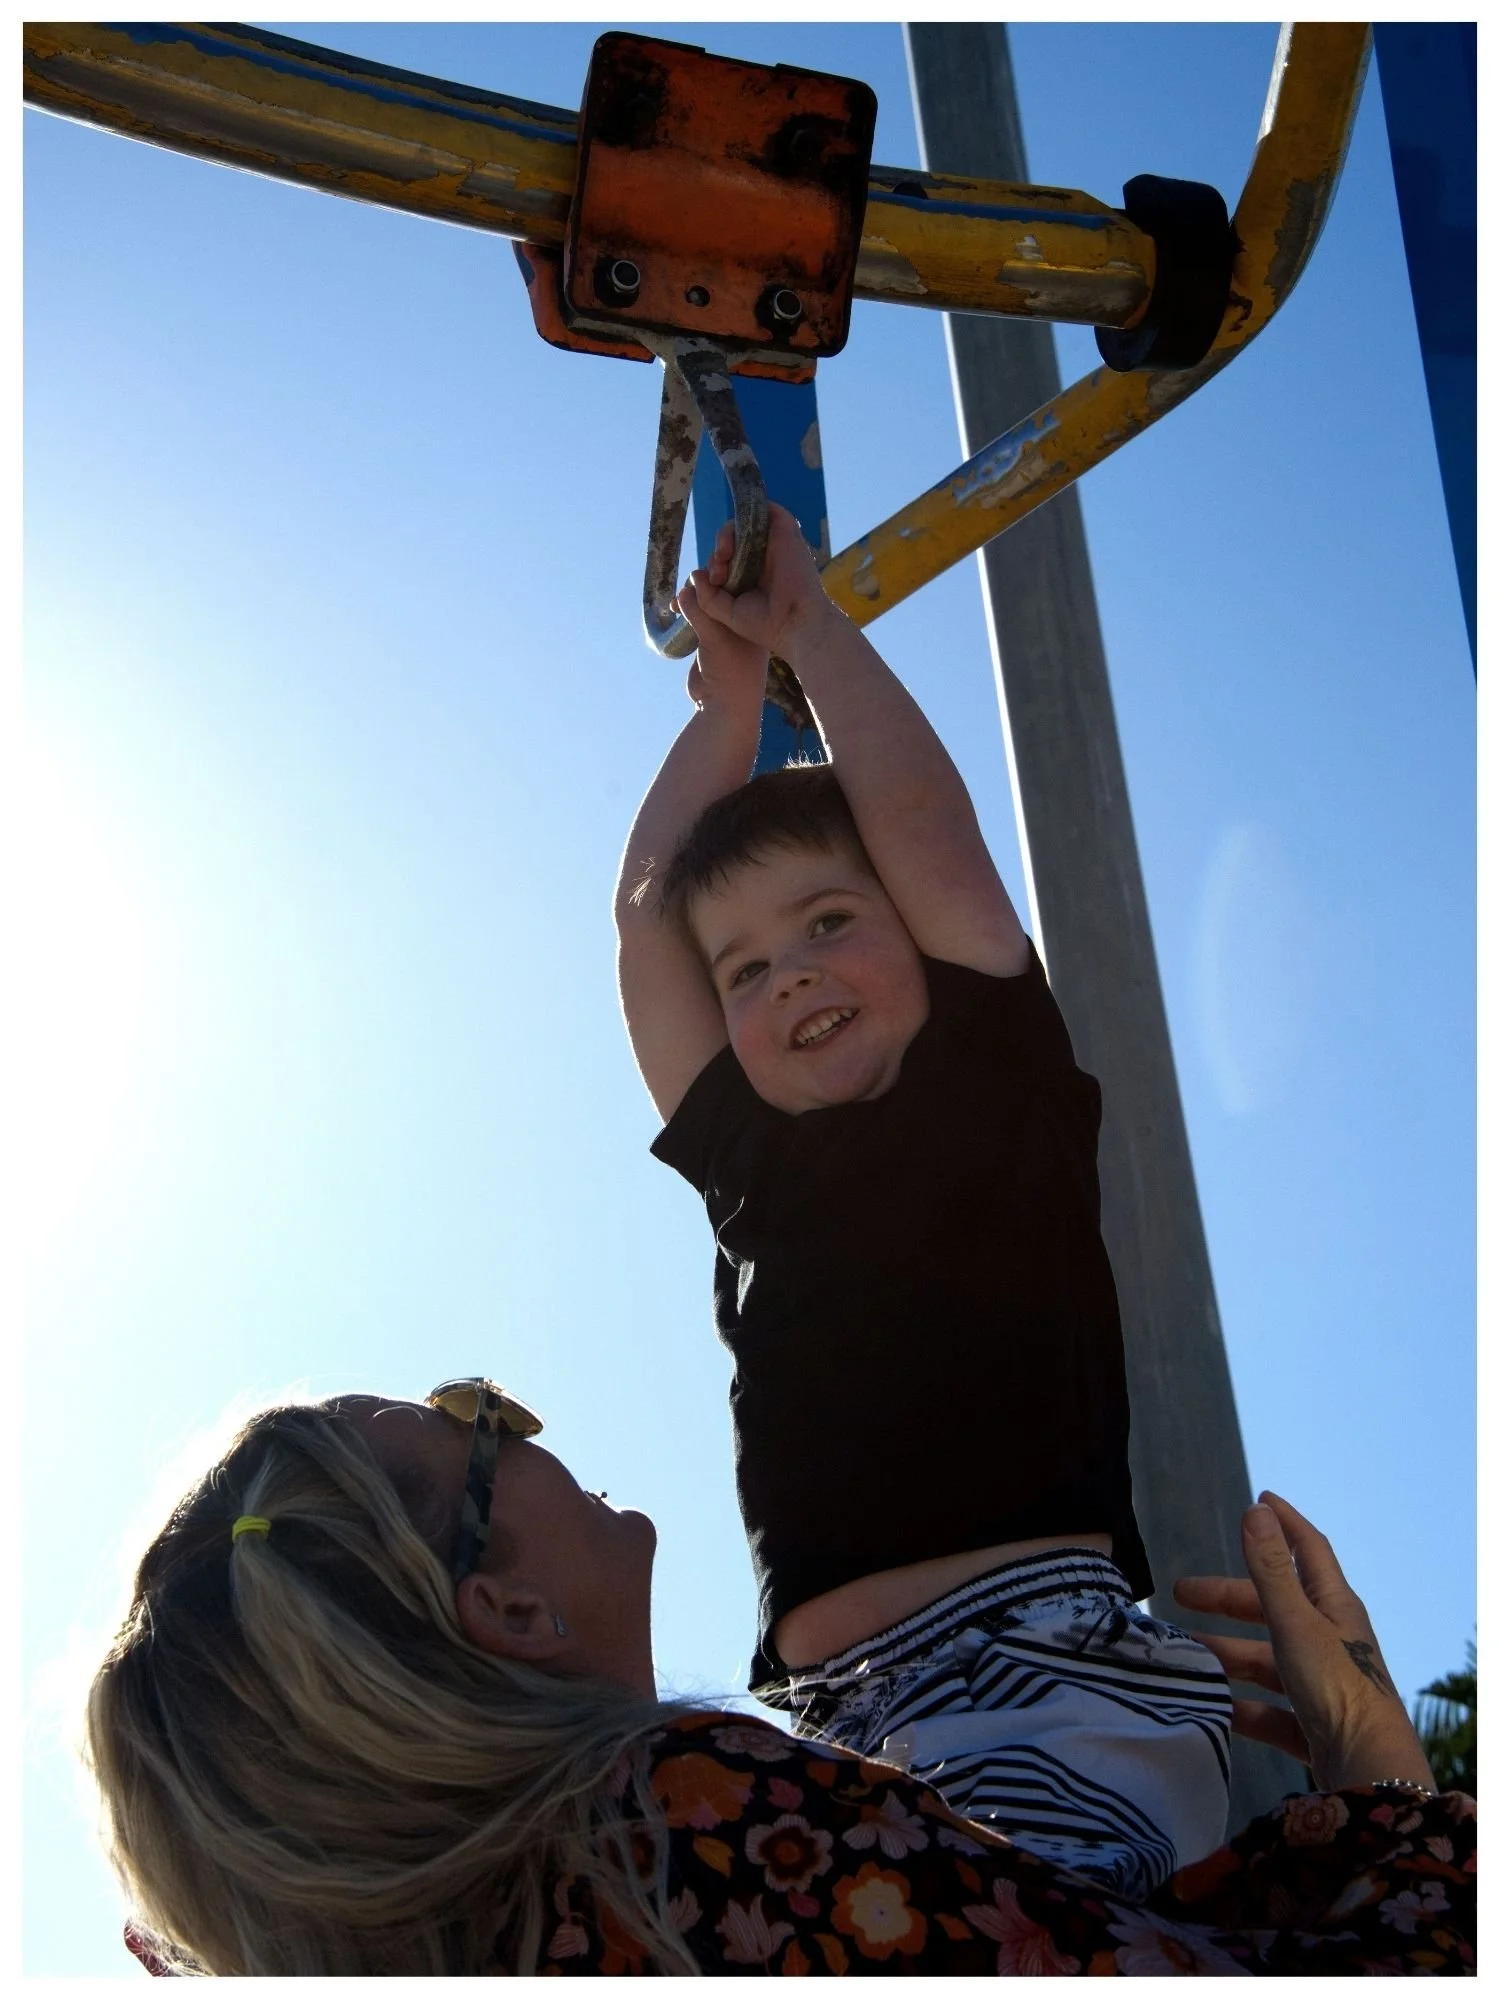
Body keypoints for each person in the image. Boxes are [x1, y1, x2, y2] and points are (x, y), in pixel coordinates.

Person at [614, 505, 1227, 1894]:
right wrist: (722, 706)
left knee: (1062, 1925)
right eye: (750, 972)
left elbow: (924, 828)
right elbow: (647, 925)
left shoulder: (990, 1074)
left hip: (1046, 1671)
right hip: (852, 1730)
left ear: (917, 933)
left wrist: (814, 639)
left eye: (830, 924)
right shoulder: (752, 1165)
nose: (794, 978)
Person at [91, 1383, 1471, 1977]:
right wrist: (1376, 1774)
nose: (524, 1420)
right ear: (503, 1604)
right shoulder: (690, 1839)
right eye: (475, 1421)